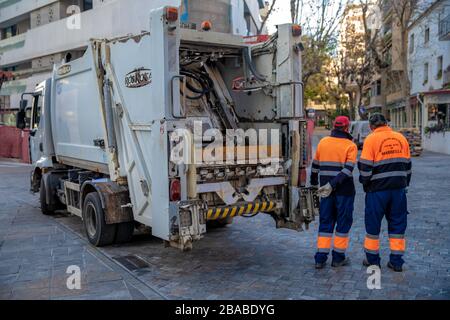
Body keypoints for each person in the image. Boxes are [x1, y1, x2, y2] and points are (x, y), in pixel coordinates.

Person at [358, 113, 412, 272]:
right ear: (387, 123)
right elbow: (408, 166)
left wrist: (366, 184)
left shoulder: (371, 139)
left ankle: (373, 260)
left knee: (373, 225)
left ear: (371, 126)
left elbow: (365, 167)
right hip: (398, 190)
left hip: (377, 191)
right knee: (397, 224)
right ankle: (396, 261)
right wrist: (404, 185)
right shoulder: (401, 138)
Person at [311, 116, 358, 269]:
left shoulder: (323, 142)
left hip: (325, 191)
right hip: (344, 191)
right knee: (343, 224)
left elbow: (315, 166)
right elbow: (347, 170)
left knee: (325, 222)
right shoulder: (350, 145)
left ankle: (320, 258)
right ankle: (338, 258)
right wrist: (333, 184)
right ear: (347, 128)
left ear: (333, 126)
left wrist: (313, 184)